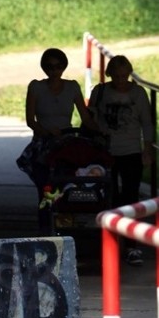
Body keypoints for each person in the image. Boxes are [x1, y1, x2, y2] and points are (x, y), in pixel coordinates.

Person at [88, 55, 155, 265]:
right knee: (108, 197)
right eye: (116, 76)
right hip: (105, 152)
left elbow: (147, 123)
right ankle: (110, 242)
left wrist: (147, 149)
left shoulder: (138, 93)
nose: (120, 80)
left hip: (131, 151)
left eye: (124, 76)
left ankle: (131, 246)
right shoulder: (100, 92)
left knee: (130, 197)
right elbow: (89, 119)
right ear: (109, 74)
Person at [19, 48, 98, 209]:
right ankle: (45, 221)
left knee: (67, 182)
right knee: (45, 188)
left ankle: (64, 213)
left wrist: (100, 132)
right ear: (44, 68)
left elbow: (86, 117)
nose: (54, 71)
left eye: (58, 66)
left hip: (65, 143)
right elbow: (30, 120)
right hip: (43, 143)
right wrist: (46, 132)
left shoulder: (72, 87)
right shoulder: (36, 87)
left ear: (64, 67)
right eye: (50, 67)